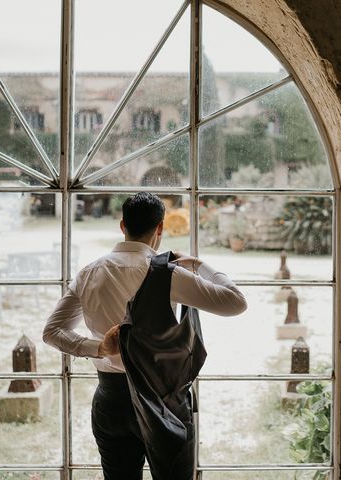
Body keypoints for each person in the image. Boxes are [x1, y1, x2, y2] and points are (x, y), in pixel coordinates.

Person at [43, 192, 247, 479]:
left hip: (112, 399)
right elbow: (235, 302)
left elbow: (52, 332)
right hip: (163, 400)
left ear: (122, 225)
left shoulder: (89, 273)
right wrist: (198, 265)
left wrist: (100, 348)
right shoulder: (169, 275)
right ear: (160, 228)